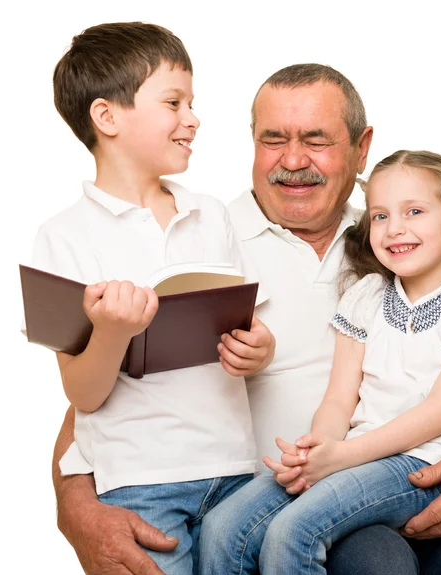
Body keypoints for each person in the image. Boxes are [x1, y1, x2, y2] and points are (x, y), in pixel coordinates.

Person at [51, 64, 441, 574]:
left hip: (404, 470)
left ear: (361, 147)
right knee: (374, 559)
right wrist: (78, 508)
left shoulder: (399, 234)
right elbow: (102, 386)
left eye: (316, 139)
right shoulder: (204, 236)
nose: (293, 160)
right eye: (273, 139)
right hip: (273, 490)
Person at [199, 150, 441, 574]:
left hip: (423, 463)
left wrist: (341, 458)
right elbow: (339, 398)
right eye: (380, 216)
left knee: (295, 530)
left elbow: (439, 414)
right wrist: (319, 448)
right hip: (357, 457)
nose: (394, 229)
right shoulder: (366, 296)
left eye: (415, 212)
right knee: (223, 527)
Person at [30, 22, 275, 574]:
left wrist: (258, 348)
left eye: (192, 101)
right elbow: (84, 393)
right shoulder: (63, 237)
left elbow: (253, 326)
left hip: (235, 469)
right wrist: (114, 329)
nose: (192, 118)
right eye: (173, 102)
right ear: (107, 116)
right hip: (139, 483)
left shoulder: (210, 214)